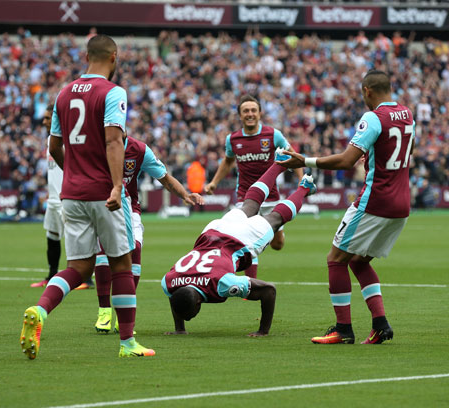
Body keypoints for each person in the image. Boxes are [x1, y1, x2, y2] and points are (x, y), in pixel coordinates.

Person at [20, 34, 155, 359]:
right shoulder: (113, 92)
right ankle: (127, 343)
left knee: (79, 267)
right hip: (101, 191)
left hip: (72, 192)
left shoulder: (64, 94)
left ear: (86, 56)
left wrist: (74, 175)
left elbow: (53, 147)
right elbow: (113, 141)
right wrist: (114, 185)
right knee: (122, 263)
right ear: (114, 57)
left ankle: (40, 311)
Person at [278, 70, 415, 345]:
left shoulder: (373, 118)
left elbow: (346, 160)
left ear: (367, 91)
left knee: (335, 259)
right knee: (358, 260)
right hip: (402, 204)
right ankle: (381, 324)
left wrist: (306, 160)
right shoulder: (407, 114)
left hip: (375, 200)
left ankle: (343, 329)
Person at [163, 149, 316, 336]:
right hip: (213, 231)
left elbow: (269, 290)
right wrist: (179, 329)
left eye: (190, 315)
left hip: (240, 240)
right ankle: (279, 163)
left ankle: (305, 187)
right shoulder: (169, 281)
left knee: (275, 218)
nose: (190, 318)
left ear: (197, 304)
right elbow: (172, 293)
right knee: (249, 204)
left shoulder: (222, 283)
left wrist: (263, 331)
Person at [93, 137, 205, 333]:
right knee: (103, 252)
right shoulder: (96, 144)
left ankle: (123, 313)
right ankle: (104, 311)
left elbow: (164, 177)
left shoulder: (139, 150)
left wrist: (185, 194)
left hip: (130, 207)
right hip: (101, 206)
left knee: (135, 249)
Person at [204, 94, 303, 279]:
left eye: (253, 110)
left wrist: (300, 179)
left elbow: (293, 155)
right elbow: (227, 161)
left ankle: (277, 233)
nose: (250, 114)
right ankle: (251, 285)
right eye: (246, 111)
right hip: (245, 198)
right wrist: (214, 183)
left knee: (278, 244)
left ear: (259, 113)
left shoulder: (273, 135)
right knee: (246, 239)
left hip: (271, 196)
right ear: (240, 116)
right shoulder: (232, 139)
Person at [31, 105, 63, 288]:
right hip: (52, 199)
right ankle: (52, 275)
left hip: (66, 198)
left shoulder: (67, 139)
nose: (44, 122)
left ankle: (86, 278)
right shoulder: (51, 140)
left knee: (78, 239)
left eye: (47, 118)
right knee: (52, 236)